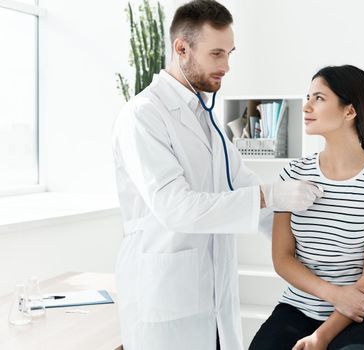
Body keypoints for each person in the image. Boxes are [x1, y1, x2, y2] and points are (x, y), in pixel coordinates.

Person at [111, 1, 322, 349]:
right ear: (182, 48)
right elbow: (175, 208)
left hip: (214, 299)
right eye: (216, 54)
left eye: (230, 53)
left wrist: (310, 252)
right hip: (166, 300)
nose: (226, 66)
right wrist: (271, 195)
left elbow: (245, 188)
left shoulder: (206, 118)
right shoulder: (142, 116)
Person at [249, 65, 364, 350]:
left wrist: (321, 336)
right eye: (308, 97)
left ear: (349, 111)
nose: (306, 106)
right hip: (298, 309)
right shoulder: (293, 174)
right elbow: (283, 259)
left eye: (319, 98)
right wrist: (333, 294)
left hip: (361, 316)